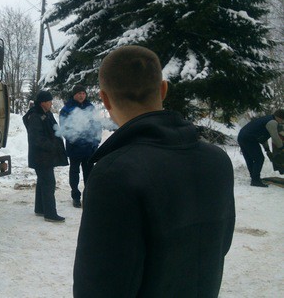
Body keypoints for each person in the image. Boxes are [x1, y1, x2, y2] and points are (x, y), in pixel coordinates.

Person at [73, 46, 235, 297]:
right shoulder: (217, 161)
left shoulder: (114, 174)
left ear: (104, 99)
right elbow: (218, 246)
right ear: (163, 89)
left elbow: (99, 284)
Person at [23, 90, 68, 222]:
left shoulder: (46, 113)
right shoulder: (35, 116)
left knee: (43, 181)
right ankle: (50, 213)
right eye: (49, 101)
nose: (51, 103)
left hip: (45, 156)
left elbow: (53, 129)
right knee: (49, 182)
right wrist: (52, 146)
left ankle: (40, 208)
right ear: (43, 102)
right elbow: (36, 138)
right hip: (40, 156)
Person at [59, 83, 101, 208]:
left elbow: (97, 125)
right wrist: (74, 140)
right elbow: (64, 128)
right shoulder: (67, 109)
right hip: (75, 148)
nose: (82, 95)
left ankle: (88, 196)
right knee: (74, 173)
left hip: (89, 148)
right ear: (74, 95)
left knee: (89, 174)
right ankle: (75, 197)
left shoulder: (90, 107)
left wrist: (96, 141)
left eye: (83, 93)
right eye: (79, 93)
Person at [237, 110, 284, 187]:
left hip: (242, 136)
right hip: (249, 139)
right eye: (282, 119)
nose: (282, 121)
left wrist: (267, 149)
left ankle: (254, 178)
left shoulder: (267, 119)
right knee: (259, 158)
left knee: (249, 158)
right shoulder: (272, 122)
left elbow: (262, 137)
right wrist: (281, 147)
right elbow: (275, 137)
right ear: (279, 117)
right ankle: (255, 180)